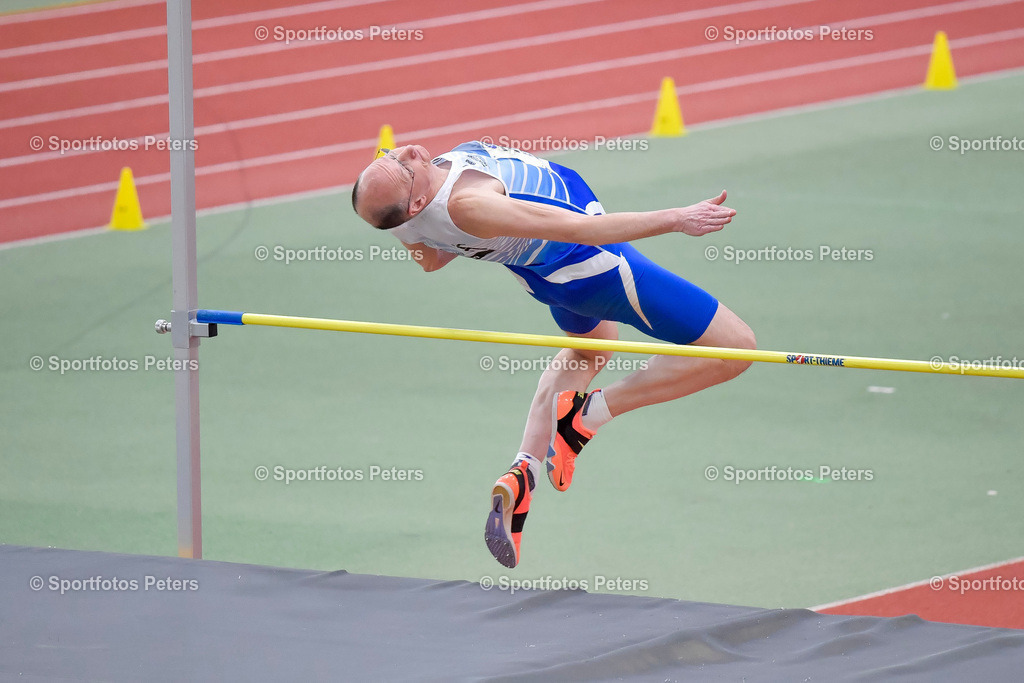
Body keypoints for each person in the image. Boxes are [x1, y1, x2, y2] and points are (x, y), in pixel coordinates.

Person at [352, 141, 756, 568]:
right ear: (416, 202)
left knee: (590, 350)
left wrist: (430, 226)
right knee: (737, 348)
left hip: (547, 279)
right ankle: (588, 416)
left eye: (392, 156)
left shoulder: (403, 217)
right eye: (404, 167)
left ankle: (523, 468)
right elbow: (582, 230)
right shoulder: (471, 205)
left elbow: (430, 261)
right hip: (597, 266)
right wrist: (677, 218)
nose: (410, 151)